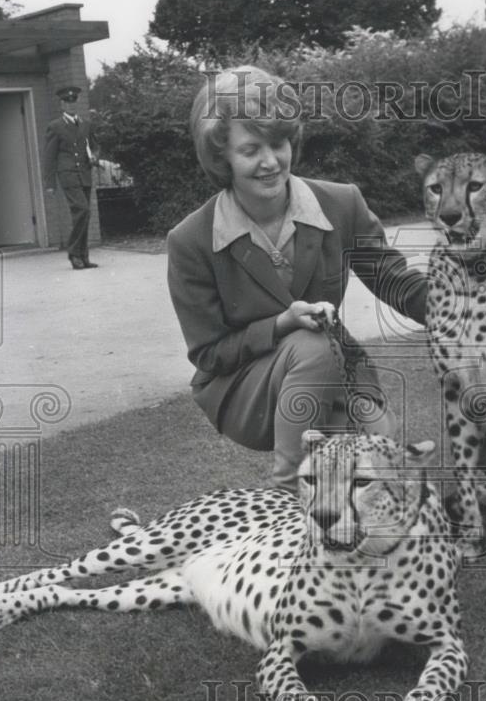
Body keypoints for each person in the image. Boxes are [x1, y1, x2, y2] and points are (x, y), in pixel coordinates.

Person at [167, 67, 427, 492]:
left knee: (379, 459)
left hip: (334, 369)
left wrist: (464, 304)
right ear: (221, 157)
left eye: (278, 143)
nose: (270, 162)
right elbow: (210, 355)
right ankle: (287, 494)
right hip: (243, 388)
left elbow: (396, 281)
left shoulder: (342, 203)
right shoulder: (190, 240)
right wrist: (282, 324)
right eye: (250, 149)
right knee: (311, 342)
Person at [43, 85, 100, 270]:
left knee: (84, 214)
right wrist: (50, 183)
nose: (71, 105)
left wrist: (94, 156)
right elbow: (49, 157)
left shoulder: (85, 124)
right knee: (82, 210)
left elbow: (94, 145)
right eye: (67, 102)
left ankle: (83, 257)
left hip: (84, 173)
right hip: (67, 175)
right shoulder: (55, 127)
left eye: (73, 102)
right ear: (61, 105)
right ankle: (74, 253)